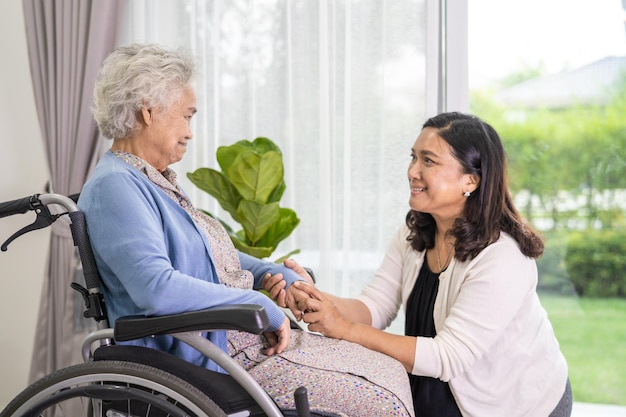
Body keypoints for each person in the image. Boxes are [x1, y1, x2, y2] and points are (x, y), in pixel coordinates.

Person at [79, 43, 415, 417]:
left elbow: (211, 254)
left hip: (239, 341)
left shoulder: (152, 180)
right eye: (186, 116)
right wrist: (256, 303)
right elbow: (155, 288)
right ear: (149, 110)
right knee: (381, 401)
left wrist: (272, 274)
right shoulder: (115, 186)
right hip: (215, 356)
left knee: (389, 371)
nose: (190, 132)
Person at [265, 112, 572, 417]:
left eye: (429, 161)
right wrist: (311, 294)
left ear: (471, 180)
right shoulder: (417, 232)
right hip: (438, 396)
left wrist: (343, 328)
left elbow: (448, 356)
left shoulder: (502, 256)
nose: (412, 171)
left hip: (519, 406)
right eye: (413, 157)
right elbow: (375, 308)